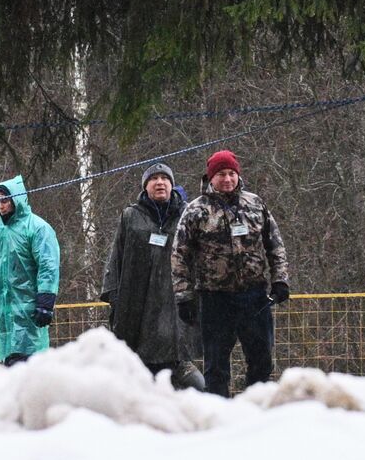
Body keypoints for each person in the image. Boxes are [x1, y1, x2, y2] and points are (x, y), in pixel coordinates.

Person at [172, 150, 290, 397]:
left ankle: (255, 412)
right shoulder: (196, 211)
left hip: (254, 297)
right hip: (215, 299)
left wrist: (280, 280)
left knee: (262, 361)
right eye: (221, 174)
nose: (227, 179)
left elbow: (275, 245)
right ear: (211, 178)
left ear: (238, 175)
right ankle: (219, 419)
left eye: (231, 174)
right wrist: (184, 296)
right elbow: (179, 256)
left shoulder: (255, 204)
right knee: (216, 366)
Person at [101, 163, 204, 390]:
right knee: (140, 370)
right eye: (154, 179)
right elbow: (115, 257)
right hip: (137, 303)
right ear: (145, 186)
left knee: (190, 379)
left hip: (175, 302)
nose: (160, 183)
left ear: (171, 184)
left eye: (164, 178)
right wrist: (114, 296)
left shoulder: (186, 214)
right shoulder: (131, 216)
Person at [0, 175, 60, 365]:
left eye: (4, 200)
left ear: (16, 199)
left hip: (30, 310)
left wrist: (46, 301)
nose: (1, 206)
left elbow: (48, 264)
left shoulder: (37, 228)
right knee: (10, 366)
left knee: (33, 365)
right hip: (5, 315)